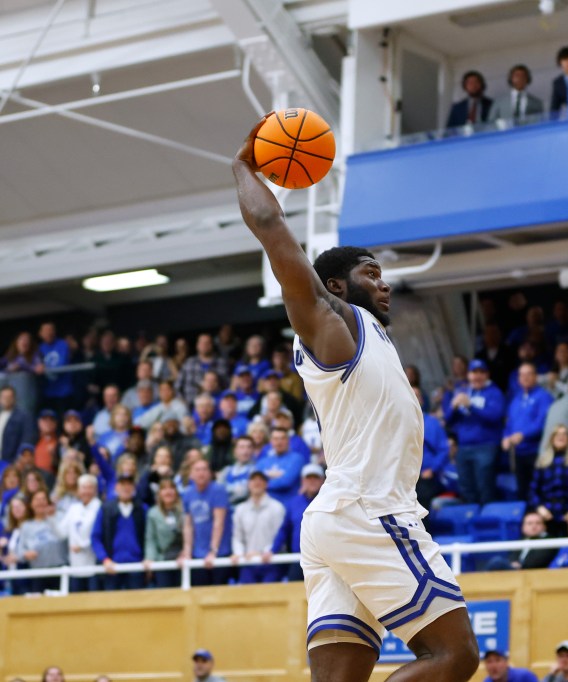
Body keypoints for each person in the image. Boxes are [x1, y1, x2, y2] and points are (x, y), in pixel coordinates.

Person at [234, 118, 477, 680]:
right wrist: (243, 166)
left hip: (338, 515)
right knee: (455, 655)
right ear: (337, 287)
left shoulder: (369, 333)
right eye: (373, 273)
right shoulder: (332, 322)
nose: (385, 282)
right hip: (368, 509)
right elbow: (272, 227)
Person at [445, 359, 505, 506]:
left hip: (485, 446)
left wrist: (471, 406)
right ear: (468, 375)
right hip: (464, 447)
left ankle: (487, 521)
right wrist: (452, 407)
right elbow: (448, 421)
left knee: (485, 486)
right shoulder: (463, 391)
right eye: (474, 372)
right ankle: (472, 519)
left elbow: (495, 416)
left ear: (487, 375)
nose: (477, 376)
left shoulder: (494, 392)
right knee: (466, 487)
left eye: (481, 372)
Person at [503, 363, 554, 501]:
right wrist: (506, 437)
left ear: (535, 376)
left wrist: (524, 435)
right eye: (521, 374)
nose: (525, 377)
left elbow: (543, 423)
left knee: (540, 491)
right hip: (519, 454)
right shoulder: (516, 398)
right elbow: (509, 423)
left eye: (528, 374)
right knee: (523, 492)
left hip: (537, 452)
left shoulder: (544, 396)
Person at [181, 459, 232, 586]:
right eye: (197, 470)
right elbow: (188, 525)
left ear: (210, 473)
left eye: (204, 469)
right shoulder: (187, 493)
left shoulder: (218, 490)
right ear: (191, 474)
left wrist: (213, 551)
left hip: (220, 553)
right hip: (198, 553)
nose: (201, 473)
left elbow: (218, 522)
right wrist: (187, 551)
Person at [91, 474, 146, 590]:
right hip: (112, 567)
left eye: (129, 484)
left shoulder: (142, 509)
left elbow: (149, 537)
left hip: (136, 566)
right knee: (111, 605)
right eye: (122, 484)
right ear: (116, 487)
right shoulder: (105, 509)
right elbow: (95, 537)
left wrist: (147, 557)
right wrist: (105, 559)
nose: (126, 488)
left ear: (134, 488)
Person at [231, 470, 286, 584]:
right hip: (248, 563)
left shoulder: (277, 508)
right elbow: (237, 537)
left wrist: (262, 553)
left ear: (266, 484)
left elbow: (279, 537)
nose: (257, 483)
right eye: (253, 480)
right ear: (248, 484)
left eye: (261, 480)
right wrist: (239, 554)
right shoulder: (240, 509)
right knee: (247, 600)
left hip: (271, 562)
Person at [61, 473, 101, 592]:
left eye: (90, 487)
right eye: (83, 487)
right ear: (78, 490)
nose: (86, 491)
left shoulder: (100, 507)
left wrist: (82, 546)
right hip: (75, 565)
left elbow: (99, 534)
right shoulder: (74, 508)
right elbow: (61, 532)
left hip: (93, 564)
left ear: (95, 490)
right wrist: (49, 518)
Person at [144, 478, 184, 588]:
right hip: (163, 559)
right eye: (164, 489)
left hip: (182, 560)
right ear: (159, 493)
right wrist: (150, 558)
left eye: (171, 488)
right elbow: (151, 539)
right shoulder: (153, 513)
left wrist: (185, 552)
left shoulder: (184, 511)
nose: (168, 492)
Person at [254, 426, 306, 504]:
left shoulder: (297, 458)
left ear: (288, 441)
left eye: (282, 438)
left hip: (288, 503)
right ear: (271, 441)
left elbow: (286, 482)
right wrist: (279, 475)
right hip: (265, 505)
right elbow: (255, 482)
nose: (279, 442)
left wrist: (264, 481)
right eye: (275, 439)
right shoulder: (262, 461)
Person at [0, 386, 35, 464]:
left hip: (11, 461)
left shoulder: (23, 416)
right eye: (3, 397)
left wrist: (19, 459)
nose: (6, 399)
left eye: (9, 397)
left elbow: (27, 438)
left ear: (14, 398)